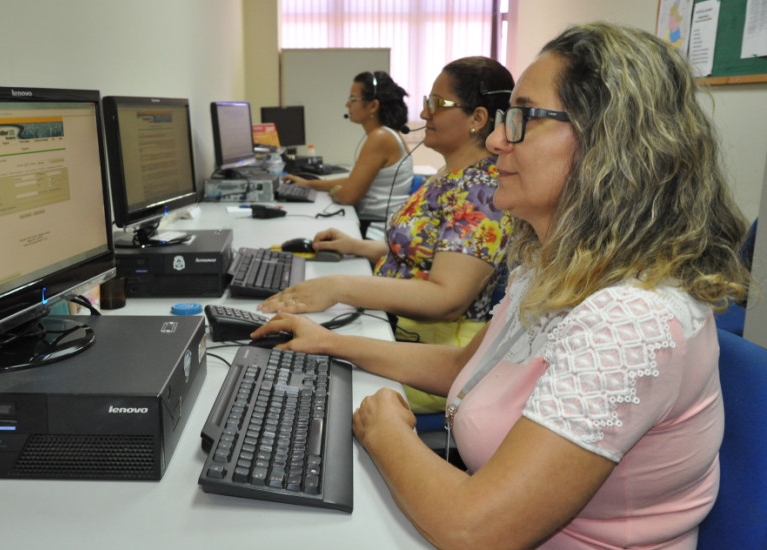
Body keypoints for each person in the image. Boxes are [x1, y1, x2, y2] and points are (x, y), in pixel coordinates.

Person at [251, 22, 751, 549]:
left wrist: (385, 432)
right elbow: (469, 368)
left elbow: (476, 530)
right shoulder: (552, 263)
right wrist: (327, 342)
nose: (494, 140)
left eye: (522, 120)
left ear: (613, 142)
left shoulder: (631, 318)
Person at [261, 57, 514, 358]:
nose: (423, 112)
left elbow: (447, 299)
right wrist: (358, 246)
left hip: (433, 353)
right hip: (401, 329)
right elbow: (429, 256)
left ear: (477, 118)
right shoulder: (451, 175)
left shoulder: (480, 191)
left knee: (297, 366)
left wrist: (339, 287)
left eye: (436, 103)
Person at [283, 71, 414, 239]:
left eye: (353, 99)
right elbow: (355, 181)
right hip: (383, 225)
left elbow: (348, 196)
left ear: (373, 105)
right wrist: (308, 184)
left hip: (376, 231)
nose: (347, 104)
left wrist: (336, 191)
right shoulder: (388, 134)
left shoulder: (380, 137)